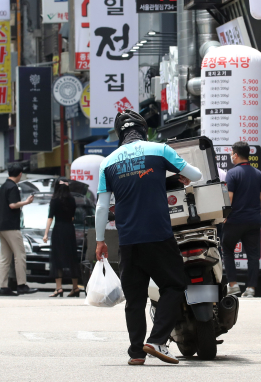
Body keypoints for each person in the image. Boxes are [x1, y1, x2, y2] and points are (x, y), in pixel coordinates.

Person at [94, 110, 202, 366]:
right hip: (158, 235)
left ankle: (136, 353)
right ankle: (157, 340)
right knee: (174, 285)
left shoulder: (107, 162)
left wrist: (100, 241)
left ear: (120, 134)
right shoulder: (160, 149)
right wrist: (182, 176)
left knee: (135, 299)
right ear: (143, 130)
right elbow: (196, 175)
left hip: (128, 240)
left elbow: (101, 207)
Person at [222, 141, 261, 298]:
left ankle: (233, 285)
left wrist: (224, 216)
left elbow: (230, 197)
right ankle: (251, 288)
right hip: (253, 220)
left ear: (236, 154)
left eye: (232, 153)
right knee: (253, 255)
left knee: (227, 249)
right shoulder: (258, 174)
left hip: (235, 220)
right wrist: (256, 214)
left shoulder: (232, 174)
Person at [0, 163, 38, 296]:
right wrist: (26, 202)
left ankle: (3, 287)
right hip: (11, 227)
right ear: (20, 174)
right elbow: (12, 205)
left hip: (1, 226)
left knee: (5, 258)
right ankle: (21, 285)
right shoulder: (13, 187)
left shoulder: (3, 187)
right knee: (20, 255)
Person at [43, 179, 80, 298]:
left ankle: (59, 288)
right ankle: (75, 287)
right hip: (69, 229)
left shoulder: (54, 200)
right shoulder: (72, 200)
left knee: (57, 258)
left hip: (58, 230)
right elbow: (73, 217)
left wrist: (45, 234)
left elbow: (50, 218)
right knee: (72, 257)